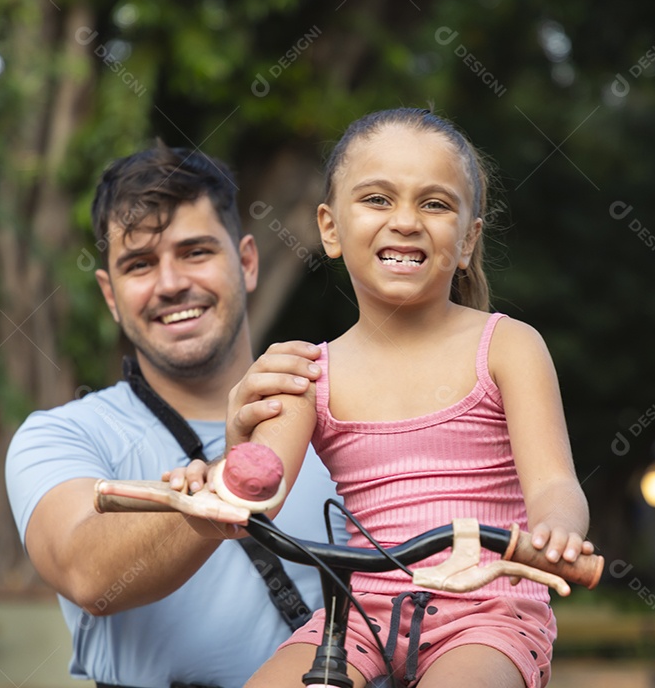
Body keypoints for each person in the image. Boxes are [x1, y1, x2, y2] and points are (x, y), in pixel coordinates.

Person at [238, 108, 593, 688]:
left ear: (468, 240)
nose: (405, 221)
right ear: (329, 228)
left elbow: (555, 484)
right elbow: (258, 490)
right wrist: (219, 480)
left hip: (488, 610)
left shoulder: (506, 346)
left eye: (435, 204)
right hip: (357, 615)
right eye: (377, 199)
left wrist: (556, 529)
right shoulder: (308, 371)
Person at [4, 142, 345, 688]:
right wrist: (219, 496)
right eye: (139, 264)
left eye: (195, 252)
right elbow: (84, 570)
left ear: (248, 262)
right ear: (110, 296)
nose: (170, 283)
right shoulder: (61, 435)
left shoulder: (347, 416)